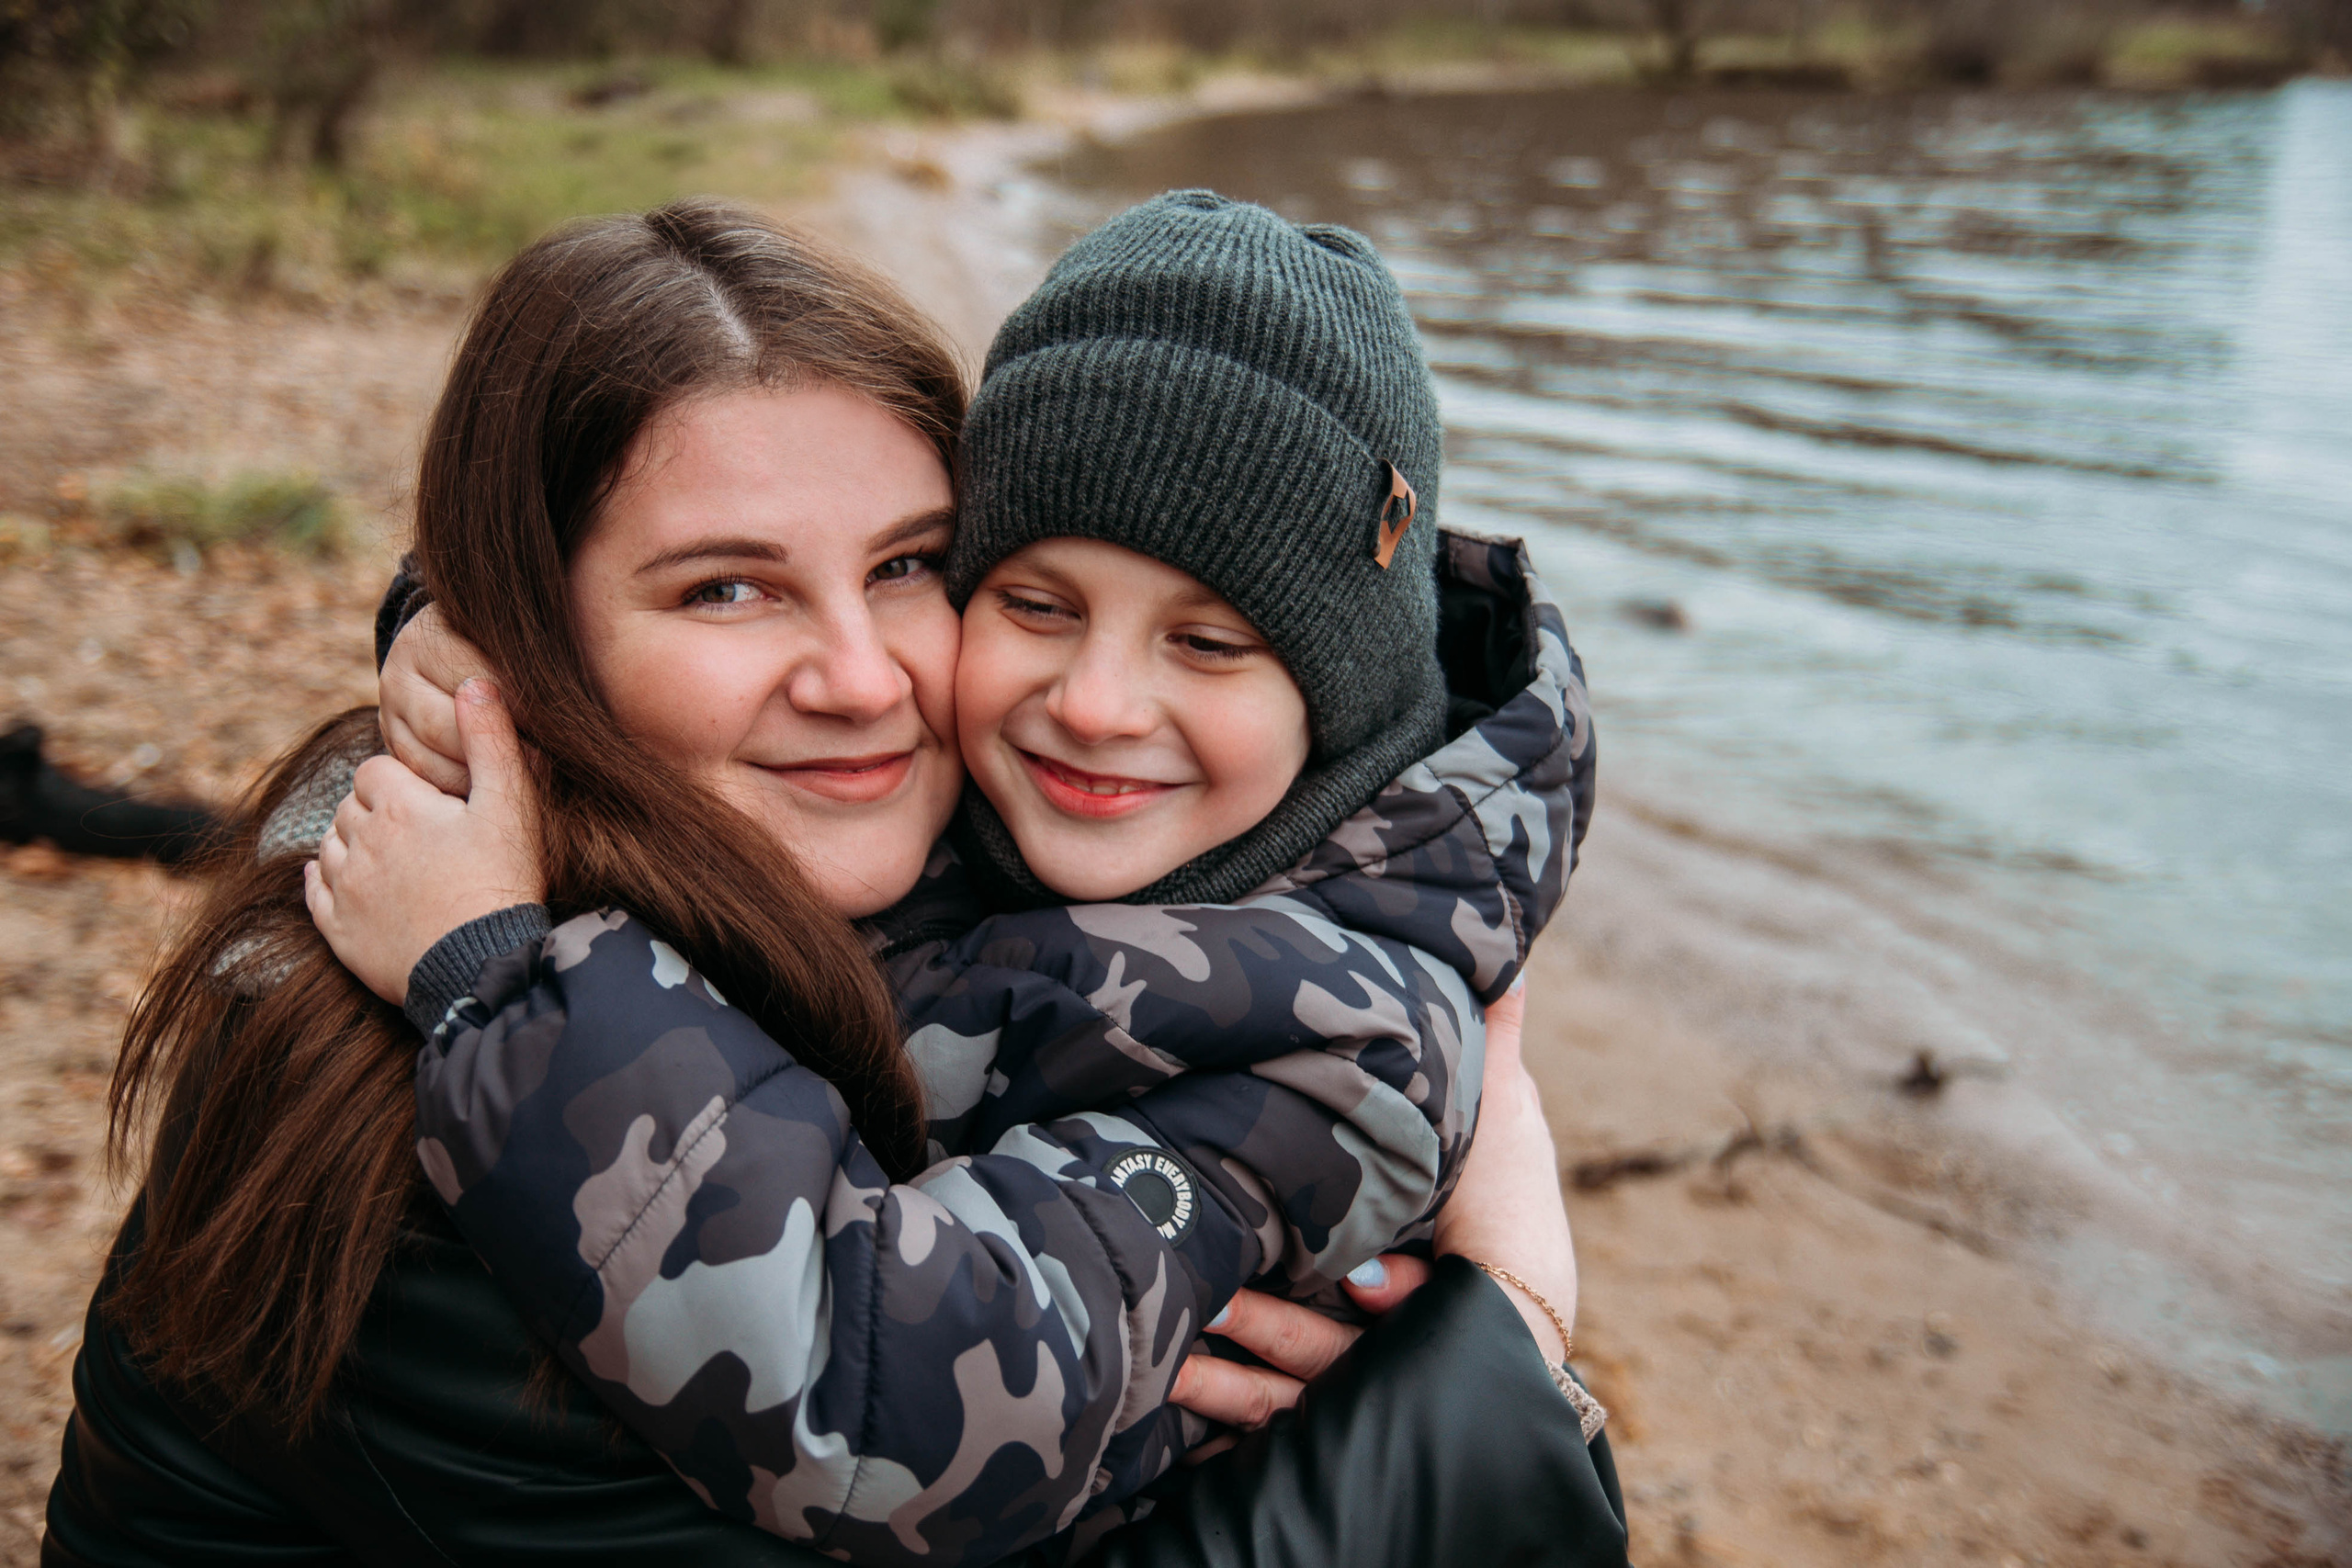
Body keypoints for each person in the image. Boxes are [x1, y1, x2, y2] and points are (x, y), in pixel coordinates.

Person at [42, 200, 1624, 1567]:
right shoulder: (410, 1112)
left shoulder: (1097, 897)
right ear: (531, 628)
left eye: (909, 564)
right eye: (727, 587)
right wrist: (1500, 1364)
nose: (867, 680)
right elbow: (871, 1414)